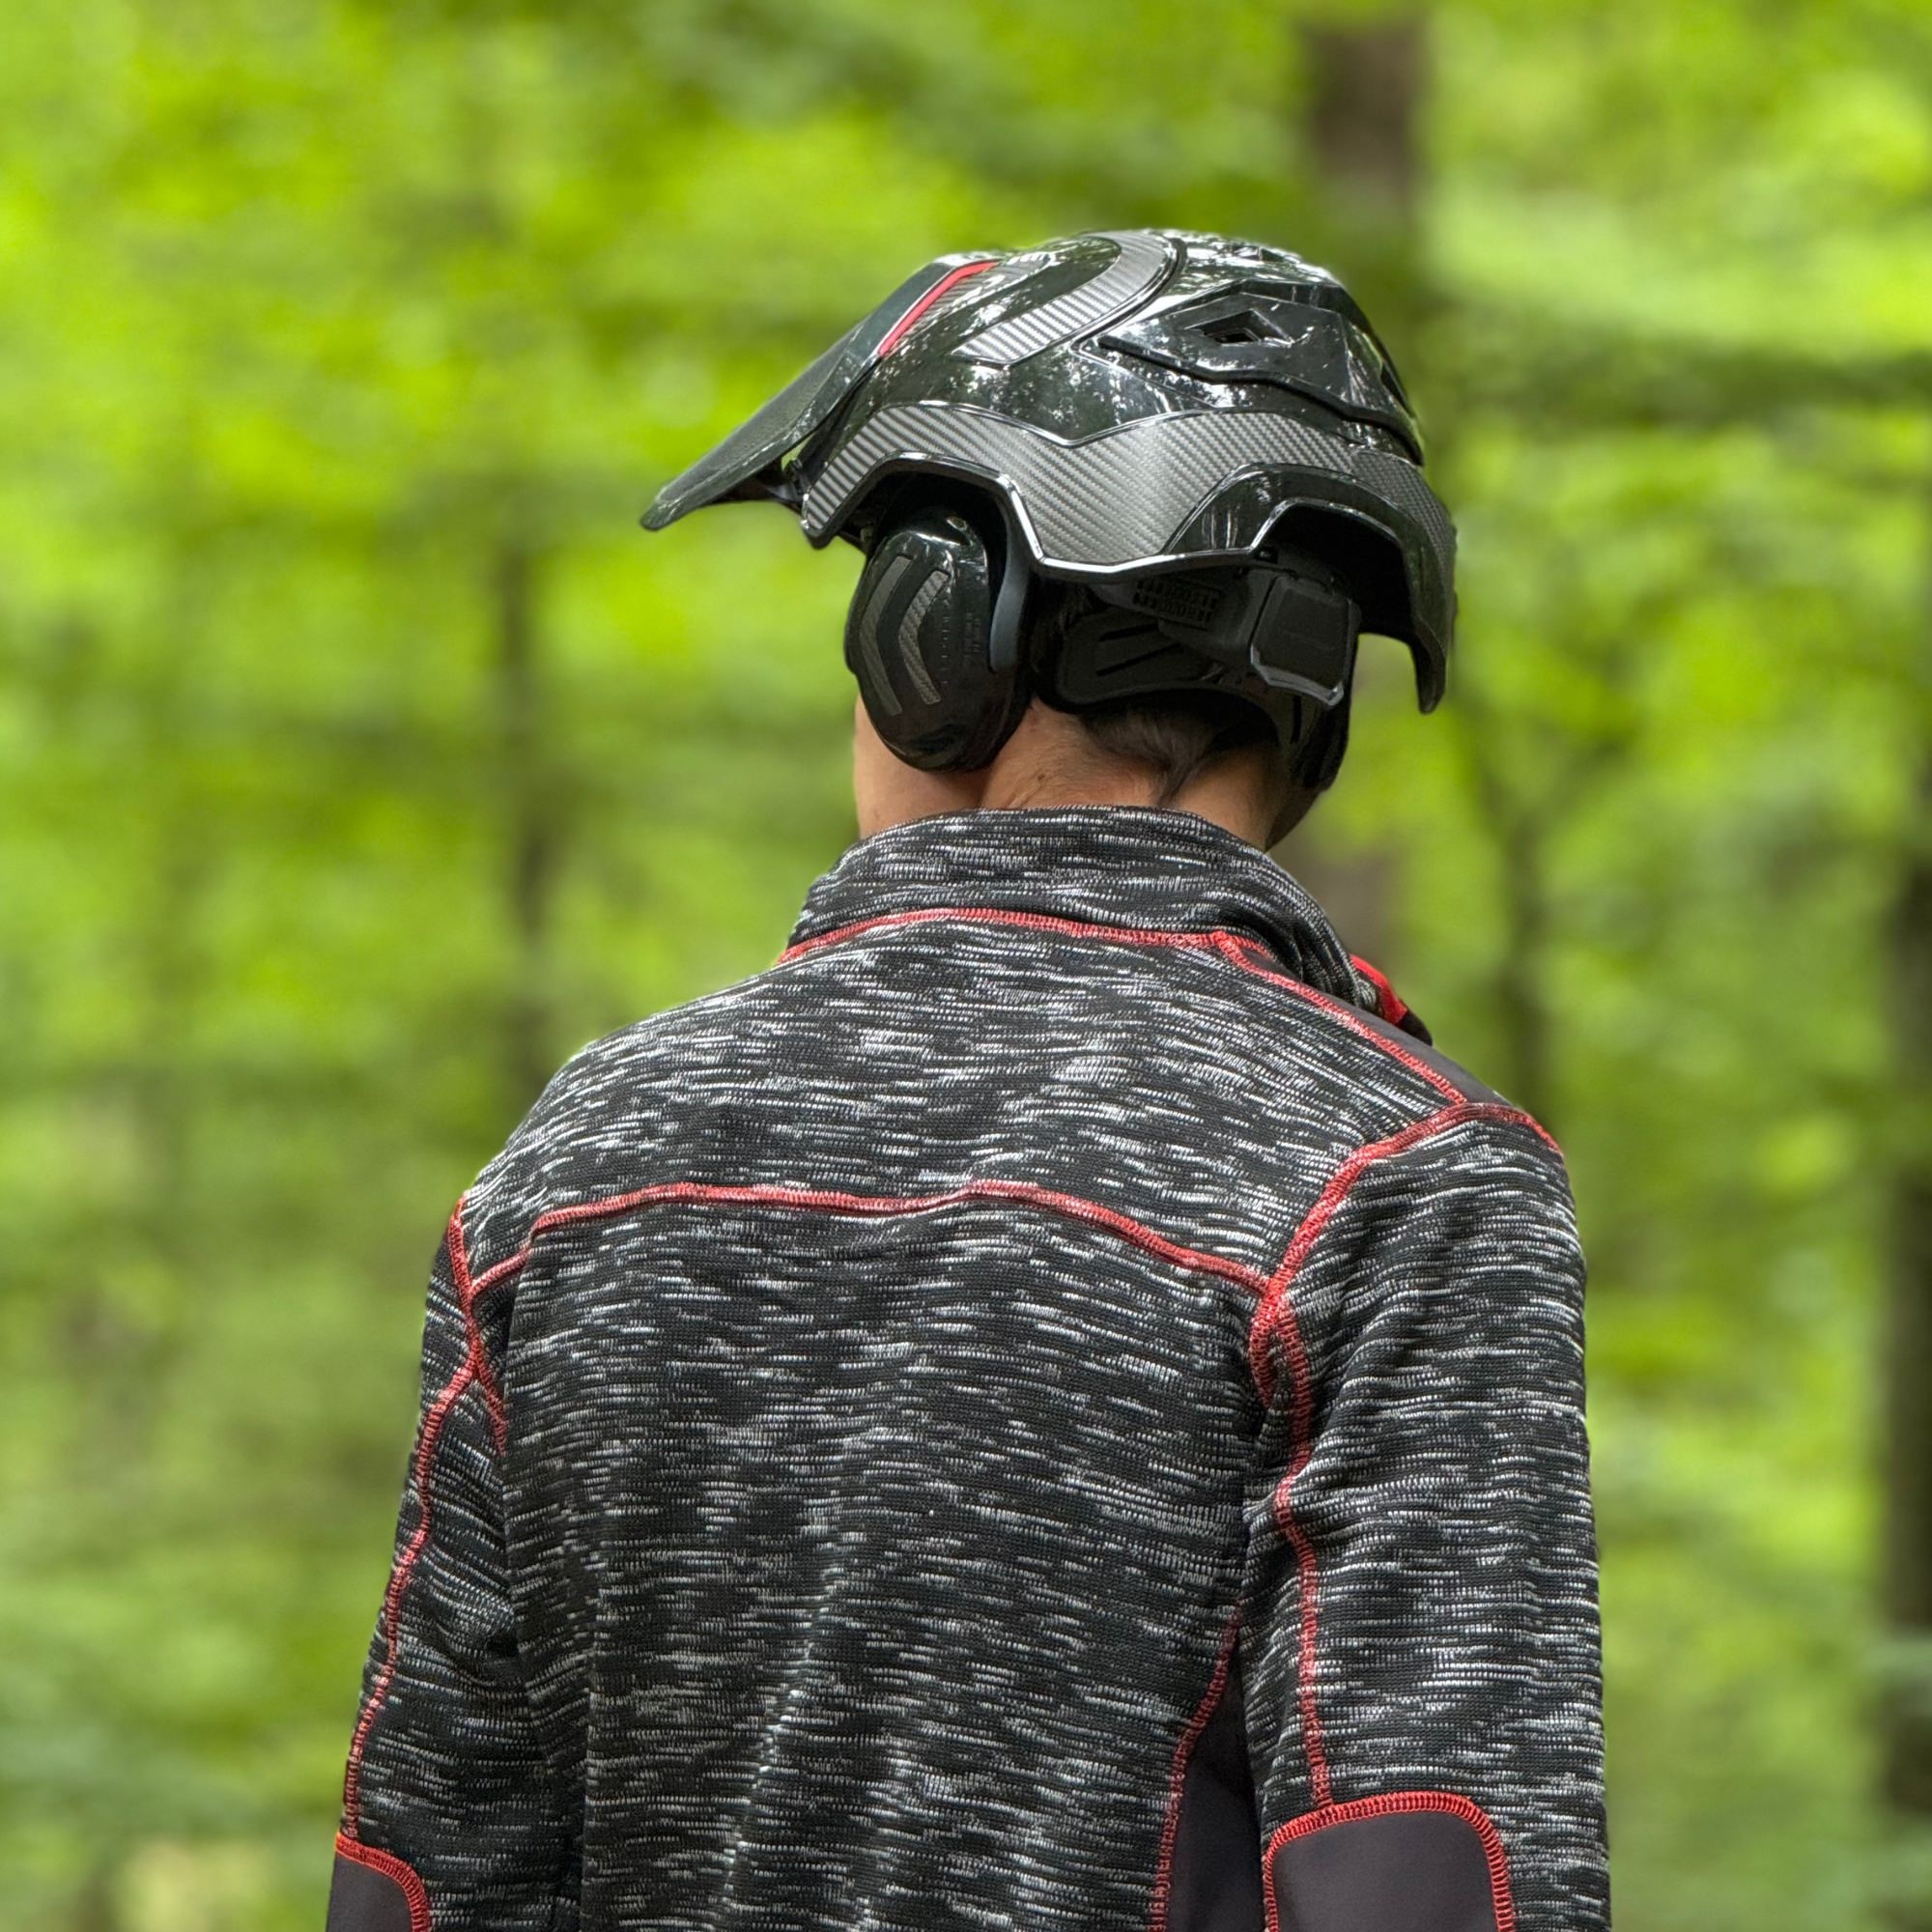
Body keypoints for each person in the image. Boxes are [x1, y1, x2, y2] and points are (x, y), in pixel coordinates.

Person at [326, 229, 1608, 1932]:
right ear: (1310, 707)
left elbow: (424, 1877)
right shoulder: (1401, 1172)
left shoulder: (579, 1159)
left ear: (932, 636)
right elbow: (1438, 1874)